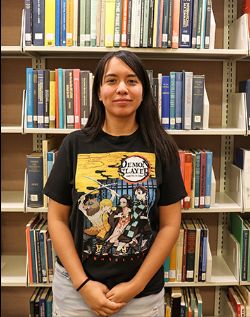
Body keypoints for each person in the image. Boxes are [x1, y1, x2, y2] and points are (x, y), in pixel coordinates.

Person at [44, 50, 187, 317]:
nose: (122, 88)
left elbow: (170, 225)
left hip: (141, 296)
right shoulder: (74, 144)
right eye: (111, 81)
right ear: (99, 92)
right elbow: (57, 220)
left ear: (143, 91)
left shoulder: (162, 147)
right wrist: (83, 284)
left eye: (132, 81)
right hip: (76, 293)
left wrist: (135, 285)